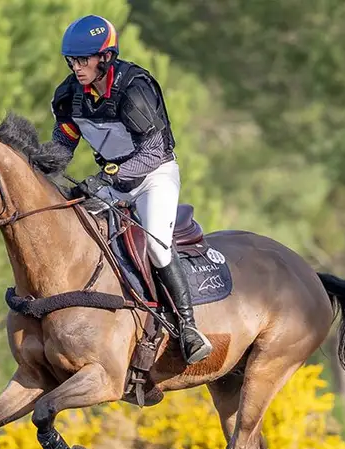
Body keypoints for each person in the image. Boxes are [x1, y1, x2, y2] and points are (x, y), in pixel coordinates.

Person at [35, 14, 212, 365]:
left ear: (106, 57)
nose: (76, 67)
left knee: (159, 247)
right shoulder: (70, 95)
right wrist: (37, 167)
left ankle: (189, 328)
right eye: (71, 61)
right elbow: (64, 142)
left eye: (83, 60)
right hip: (112, 182)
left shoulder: (134, 88)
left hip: (154, 178)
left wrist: (108, 179)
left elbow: (154, 152)